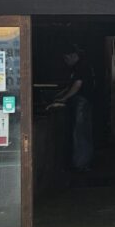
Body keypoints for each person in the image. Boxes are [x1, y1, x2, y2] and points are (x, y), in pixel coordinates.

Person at [49, 45, 94, 177]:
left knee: (80, 133)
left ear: (73, 55)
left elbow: (77, 85)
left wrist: (64, 98)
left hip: (82, 102)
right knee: (81, 132)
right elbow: (71, 86)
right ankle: (81, 162)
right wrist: (61, 96)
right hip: (83, 102)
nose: (65, 61)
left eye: (66, 58)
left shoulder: (81, 67)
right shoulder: (79, 67)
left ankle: (81, 163)